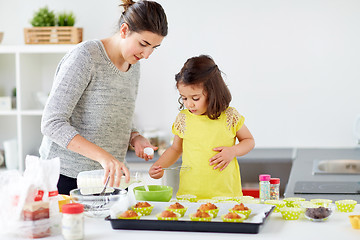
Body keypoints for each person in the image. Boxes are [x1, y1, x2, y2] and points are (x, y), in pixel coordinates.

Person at [39, 0, 168, 195]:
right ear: (124, 30)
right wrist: (104, 157)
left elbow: (116, 113)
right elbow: (52, 123)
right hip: (65, 177)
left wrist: (135, 137)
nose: (147, 54)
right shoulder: (86, 57)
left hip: (108, 179)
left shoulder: (134, 65)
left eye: (154, 48)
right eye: (143, 44)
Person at [149, 55, 255, 199]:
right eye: (184, 98)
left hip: (226, 195)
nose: (189, 104)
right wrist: (159, 166)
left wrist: (233, 151)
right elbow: (175, 149)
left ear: (213, 93)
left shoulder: (230, 116)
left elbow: (248, 140)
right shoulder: (184, 118)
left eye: (195, 98)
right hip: (191, 196)